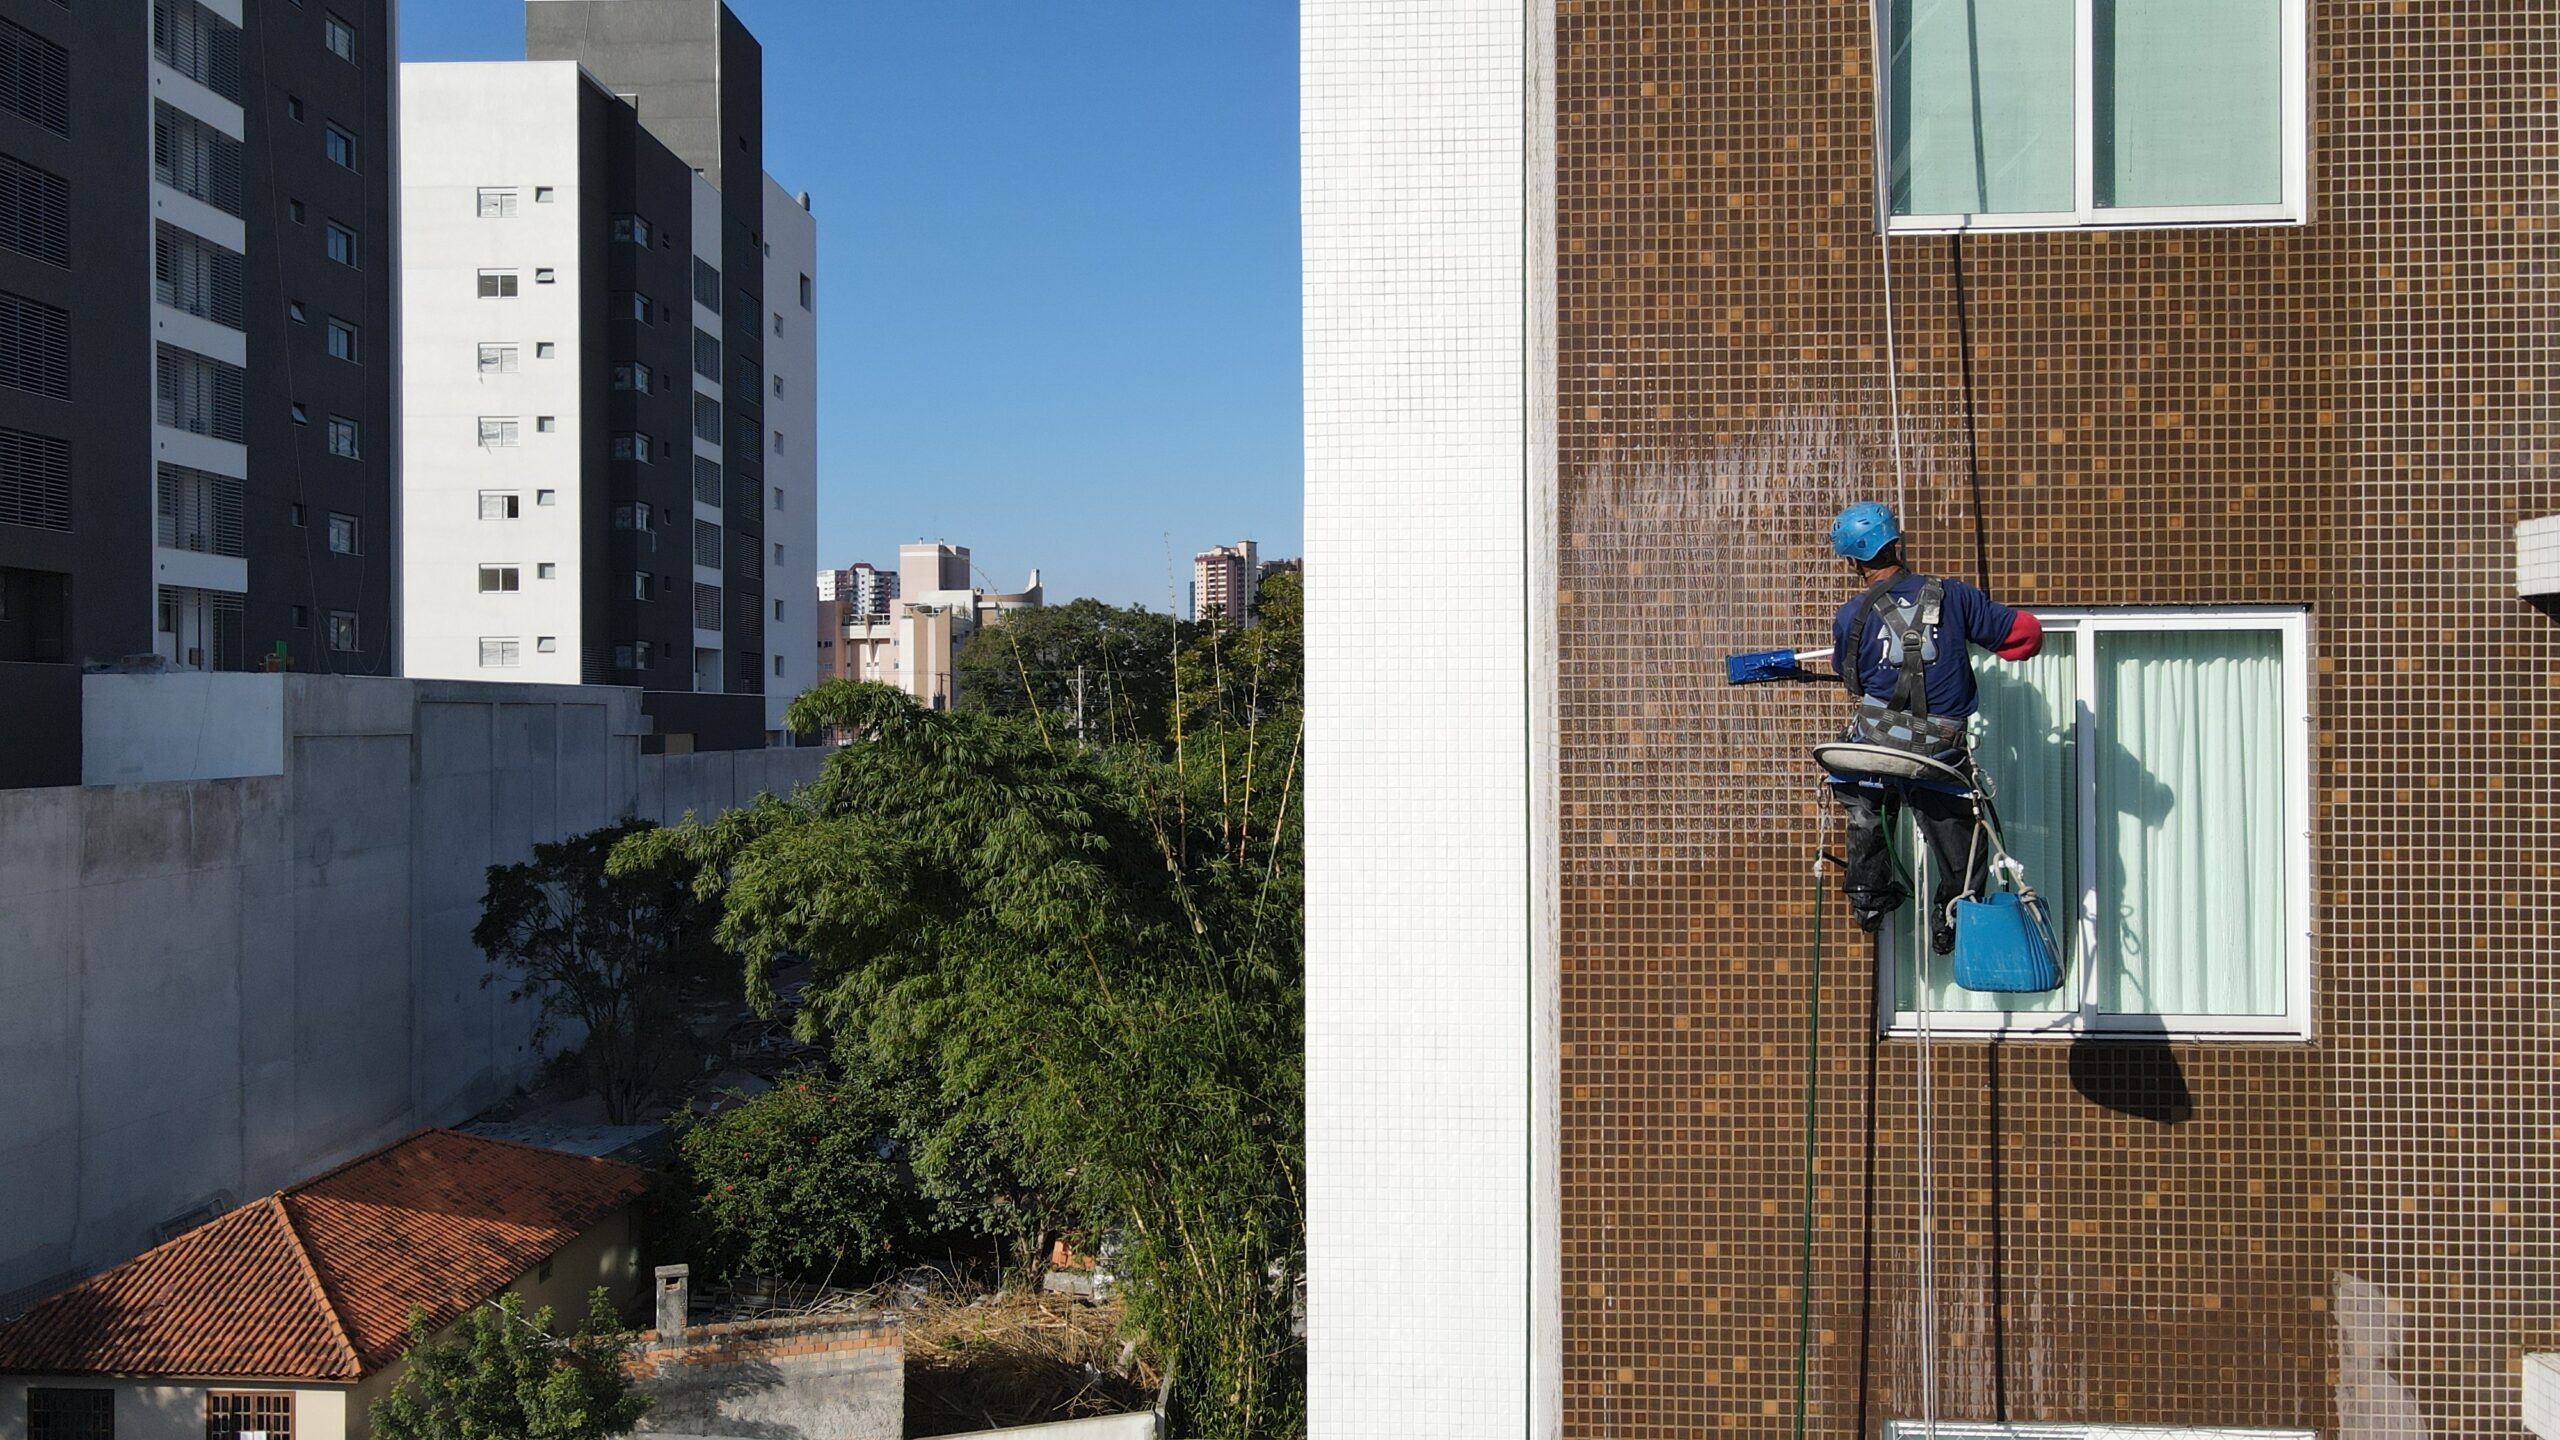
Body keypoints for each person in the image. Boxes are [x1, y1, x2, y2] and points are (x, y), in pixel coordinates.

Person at [1826, 502, 2043, 952]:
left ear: (1854, 561)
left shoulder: (1852, 616)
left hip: (1878, 743)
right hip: (1937, 750)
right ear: (1896, 543)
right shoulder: (1955, 597)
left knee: (1864, 797)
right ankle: (1952, 917)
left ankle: (1869, 896)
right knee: (1958, 830)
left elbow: (1853, 681)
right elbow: (2025, 638)